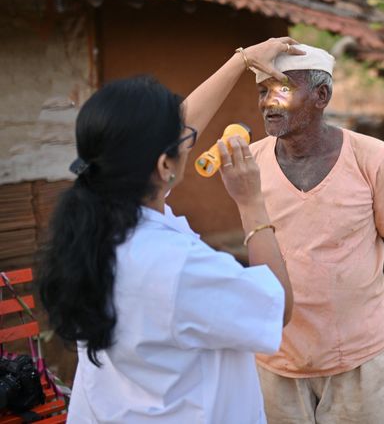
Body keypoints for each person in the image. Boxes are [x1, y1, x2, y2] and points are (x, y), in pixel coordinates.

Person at [37, 38, 303, 423]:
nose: (189, 139)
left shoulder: (95, 224)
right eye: (183, 139)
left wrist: (242, 61)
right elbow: (278, 306)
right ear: (164, 165)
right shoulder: (179, 267)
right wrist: (251, 203)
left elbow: (168, 130)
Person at [246, 44, 384, 423]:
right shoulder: (251, 164)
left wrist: (344, 283)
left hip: (356, 354)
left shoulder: (375, 158)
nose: (268, 102)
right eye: (262, 91)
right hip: (276, 354)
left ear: (322, 95)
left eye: (283, 89)